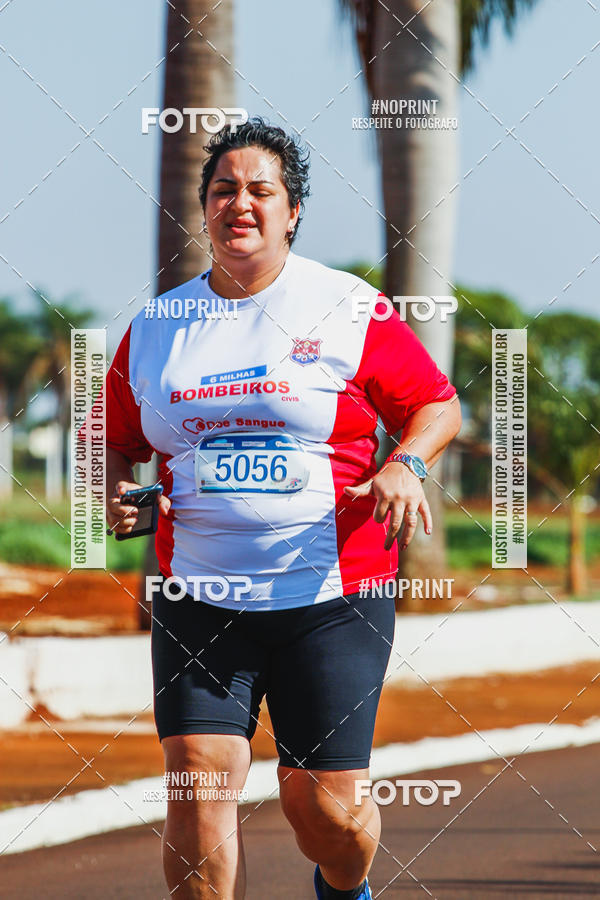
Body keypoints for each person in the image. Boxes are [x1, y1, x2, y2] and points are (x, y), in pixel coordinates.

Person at [103, 117, 461, 899]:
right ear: (202, 208)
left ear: (291, 210)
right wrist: (116, 497)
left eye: (261, 189)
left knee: (324, 812)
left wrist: (404, 462)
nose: (241, 203)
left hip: (332, 594)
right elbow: (114, 440)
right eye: (224, 189)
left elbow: (437, 406)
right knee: (198, 788)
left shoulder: (346, 305)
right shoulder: (158, 330)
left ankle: (344, 887)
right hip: (199, 592)